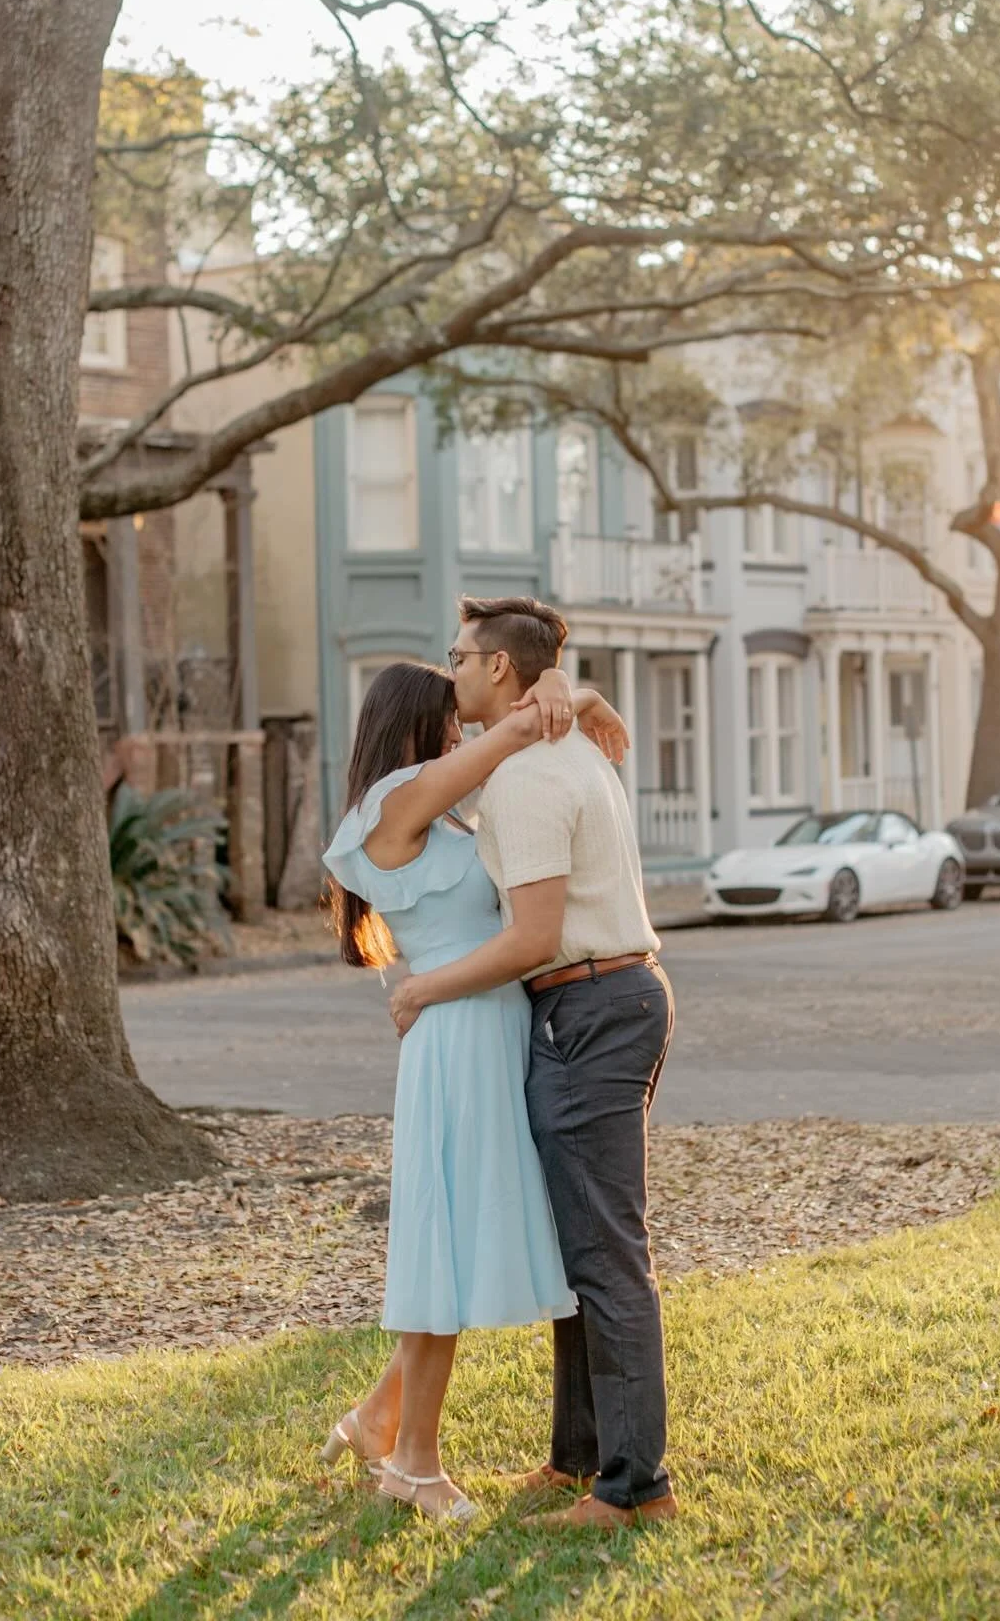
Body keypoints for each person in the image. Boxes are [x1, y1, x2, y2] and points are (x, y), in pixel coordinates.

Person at [319, 657, 630, 1525]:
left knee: (456, 1239)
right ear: (415, 725)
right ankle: (415, 1465)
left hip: (495, 1037)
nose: (464, 731)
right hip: (455, 1045)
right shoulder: (392, 805)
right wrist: (565, 689)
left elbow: (532, 761)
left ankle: (380, 1419)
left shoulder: (444, 814)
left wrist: (575, 688)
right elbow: (519, 731)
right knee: (443, 1247)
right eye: (451, 719)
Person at [388, 596, 678, 1530]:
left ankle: (635, 1489)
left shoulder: (523, 779)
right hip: (602, 1001)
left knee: (605, 1255)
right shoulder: (561, 748)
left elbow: (534, 935)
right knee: (578, 1244)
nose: (454, 672)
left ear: (501, 672)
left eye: (463, 658)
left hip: (589, 1004)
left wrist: (423, 989)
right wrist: (572, 689)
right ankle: (577, 1458)